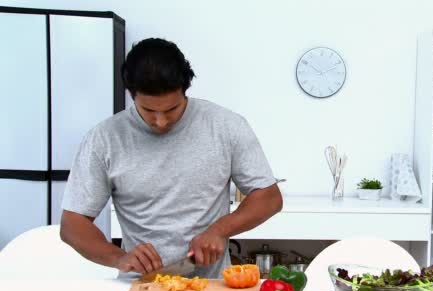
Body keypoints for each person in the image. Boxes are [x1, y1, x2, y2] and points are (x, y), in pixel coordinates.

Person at [59, 38, 282, 278]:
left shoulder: (226, 126)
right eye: (149, 111)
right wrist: (119, 257)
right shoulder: (104, 139)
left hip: (212, 286)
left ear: (185, 91)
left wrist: (220, 229)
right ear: (131, 96)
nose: (161, 122)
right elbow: (73, 224)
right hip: (139, 287)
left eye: (171, 109)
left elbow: (269, 198)